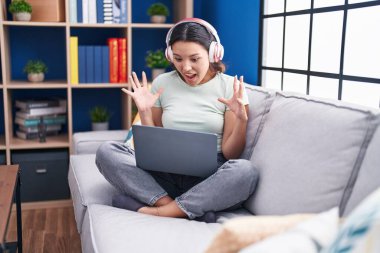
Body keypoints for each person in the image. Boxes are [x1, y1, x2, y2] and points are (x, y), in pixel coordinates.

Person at [95, 18, 259, 223]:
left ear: (213, 54)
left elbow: (230, 153)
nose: (186, 67)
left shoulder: (230, 87)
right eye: (178, 59)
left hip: (208, 178)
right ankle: (180, 208)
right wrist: (144, 112)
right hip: (165, 173)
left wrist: (242, 121)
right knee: (106, 151)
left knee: (245, 171)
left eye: (194, 59)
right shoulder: (163, 83)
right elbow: (155, 145)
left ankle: (157, 210)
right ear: (170, 55)